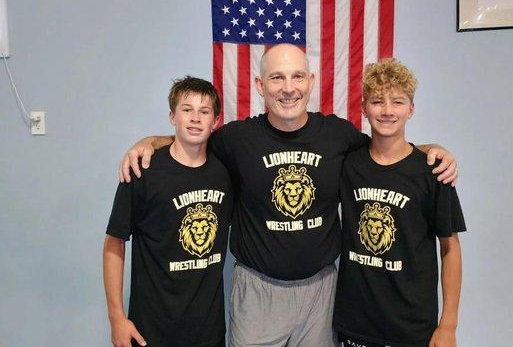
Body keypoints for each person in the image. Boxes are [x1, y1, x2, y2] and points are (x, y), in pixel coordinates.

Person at [118, 44, 458, 347]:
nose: (288, 88)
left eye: (297, 76)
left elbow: (386, 150)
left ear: (310, 81)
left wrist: (430, 150)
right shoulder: (237, 139)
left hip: (321, 291)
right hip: (257, 290)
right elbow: (193, 139)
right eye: (277, 78)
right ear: (260, 86)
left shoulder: (338, 135)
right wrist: (150, 142)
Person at [334, 59, 465, 347]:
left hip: (412, 327)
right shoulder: (347, 164)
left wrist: (448, 325)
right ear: (364, 108)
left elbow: (450, 248)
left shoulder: (433, 171)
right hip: (355, 324)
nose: (387, 111)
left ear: (411, 109)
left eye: (398, 102)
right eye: (377, 101)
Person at [103, 77, 233, 347]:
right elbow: (114, 243)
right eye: (187, 109)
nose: (195, 118)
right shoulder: (142, 171)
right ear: (172, 116)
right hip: (150, 331)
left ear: (216, 121)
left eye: (204, 111)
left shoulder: (227, 173)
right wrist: (116, 317)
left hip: (208, 333)